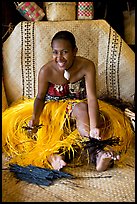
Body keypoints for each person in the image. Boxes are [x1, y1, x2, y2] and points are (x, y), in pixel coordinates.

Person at [2, 31, 134, 172]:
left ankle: (97, 152)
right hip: (52, 110)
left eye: (65, 52)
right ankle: (56, 157)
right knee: (30, 131)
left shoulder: (87, 66)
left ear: (75, 51)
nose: (59, 58)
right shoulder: (45, 71)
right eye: (55, 52)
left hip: (79, 107)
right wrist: (34, 118)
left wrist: (95, 127)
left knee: (90, 113)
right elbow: (40, 98)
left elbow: (91, 97)